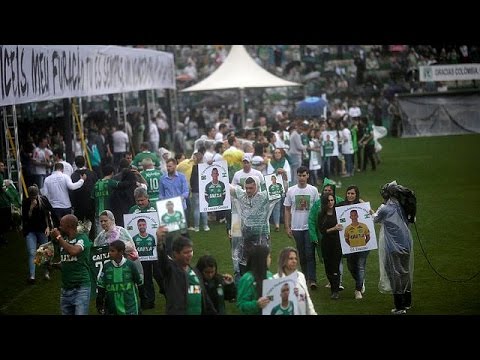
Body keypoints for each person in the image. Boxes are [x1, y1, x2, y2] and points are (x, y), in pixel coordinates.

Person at [155, 227, 216, 315]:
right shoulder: (171, 271)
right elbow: (163, 261)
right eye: (185, 252)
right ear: (175, 254)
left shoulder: (195, 272)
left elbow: (203, 295)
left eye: (190, 251)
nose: (189, 255)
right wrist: (160, 242)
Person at [373, 181, 414, 314]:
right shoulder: (403, 206)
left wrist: (369, 210)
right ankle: (407, 302)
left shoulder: (385, 209)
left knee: (395, 273)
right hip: (406, 243)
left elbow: (375, 219)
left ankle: (400, 306)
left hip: (393, 246)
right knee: (405, 272)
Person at [284, 166, 319, 290]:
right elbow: (287, 209)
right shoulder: (291, 191)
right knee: (302, 255)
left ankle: (312, 279)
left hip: (309, 228)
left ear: (308, 176)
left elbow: (317, 209)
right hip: (296, 228)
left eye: (304, 175)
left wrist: (316, 227)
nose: (302, 178)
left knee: (310, 254)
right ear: (297, 176)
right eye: (300, 175)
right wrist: (287, 226)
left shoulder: (313, 190)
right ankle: (305, 277)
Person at [50, 214, 92, 315]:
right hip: (65, 289)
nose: (59, 227)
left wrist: (59, 237)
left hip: (81, 288)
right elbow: (66, 261)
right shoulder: (65, 240)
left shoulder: (82, 238)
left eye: (61, 225)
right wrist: (53, 264)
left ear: (69, 226)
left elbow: (73, 251)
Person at [96, 240, 143, 315]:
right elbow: (101, 287)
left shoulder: (130, 265)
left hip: (130, 307)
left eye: (112, 251)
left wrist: (143, 300)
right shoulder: (106, 266)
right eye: (109, 251)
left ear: (121, 252)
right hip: (112, 308)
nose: (109, 253)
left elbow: (139, 283)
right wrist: (99, 304)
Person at [338, 185, 369, 299]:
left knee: (360, 266)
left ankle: (358, 290)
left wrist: (362, 202)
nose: (350, 196)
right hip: (349, 245)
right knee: (351, 266)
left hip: (363, 244)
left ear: (356, 195)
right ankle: (360, 281)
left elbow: (372, 214)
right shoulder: (341, 206)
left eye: (353, 194)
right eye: (348, 193)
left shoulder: (362, 206)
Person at [22, 185, 56, 283]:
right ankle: (32, 276)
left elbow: (50, 213)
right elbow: (25, 219)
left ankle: (46, 272)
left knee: (45, 252)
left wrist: (49, 227)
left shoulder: (43, 200)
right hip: (30, 230)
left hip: (42, 230)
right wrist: (31, 208)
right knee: (32, 252)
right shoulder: (26, 202)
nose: (34, 198)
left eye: (35, 196)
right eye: (32, 197)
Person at [274, 247, 316, 315]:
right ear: (283, 260)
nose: (294, 261)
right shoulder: (275, 279)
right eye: (291, 258)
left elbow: (307, 299)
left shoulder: (300, 276)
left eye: (295, 258)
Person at [318, 194, 343, 300]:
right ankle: (333, 286)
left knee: (335, 267)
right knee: (328, 267)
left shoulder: (339, 213)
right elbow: (322, 231)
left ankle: (335, 290)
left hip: (337, 243)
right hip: (326, 243)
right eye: (328, 201)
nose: (331, 202)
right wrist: (334, 228)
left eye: (332, 200)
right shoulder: (321, 215)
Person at [236, 245, 273, 315]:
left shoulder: (269, 275)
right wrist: (256, 304)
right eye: (269, 257)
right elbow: (241, 304)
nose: (270, 259)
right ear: (262, 260)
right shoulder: (247, 279)